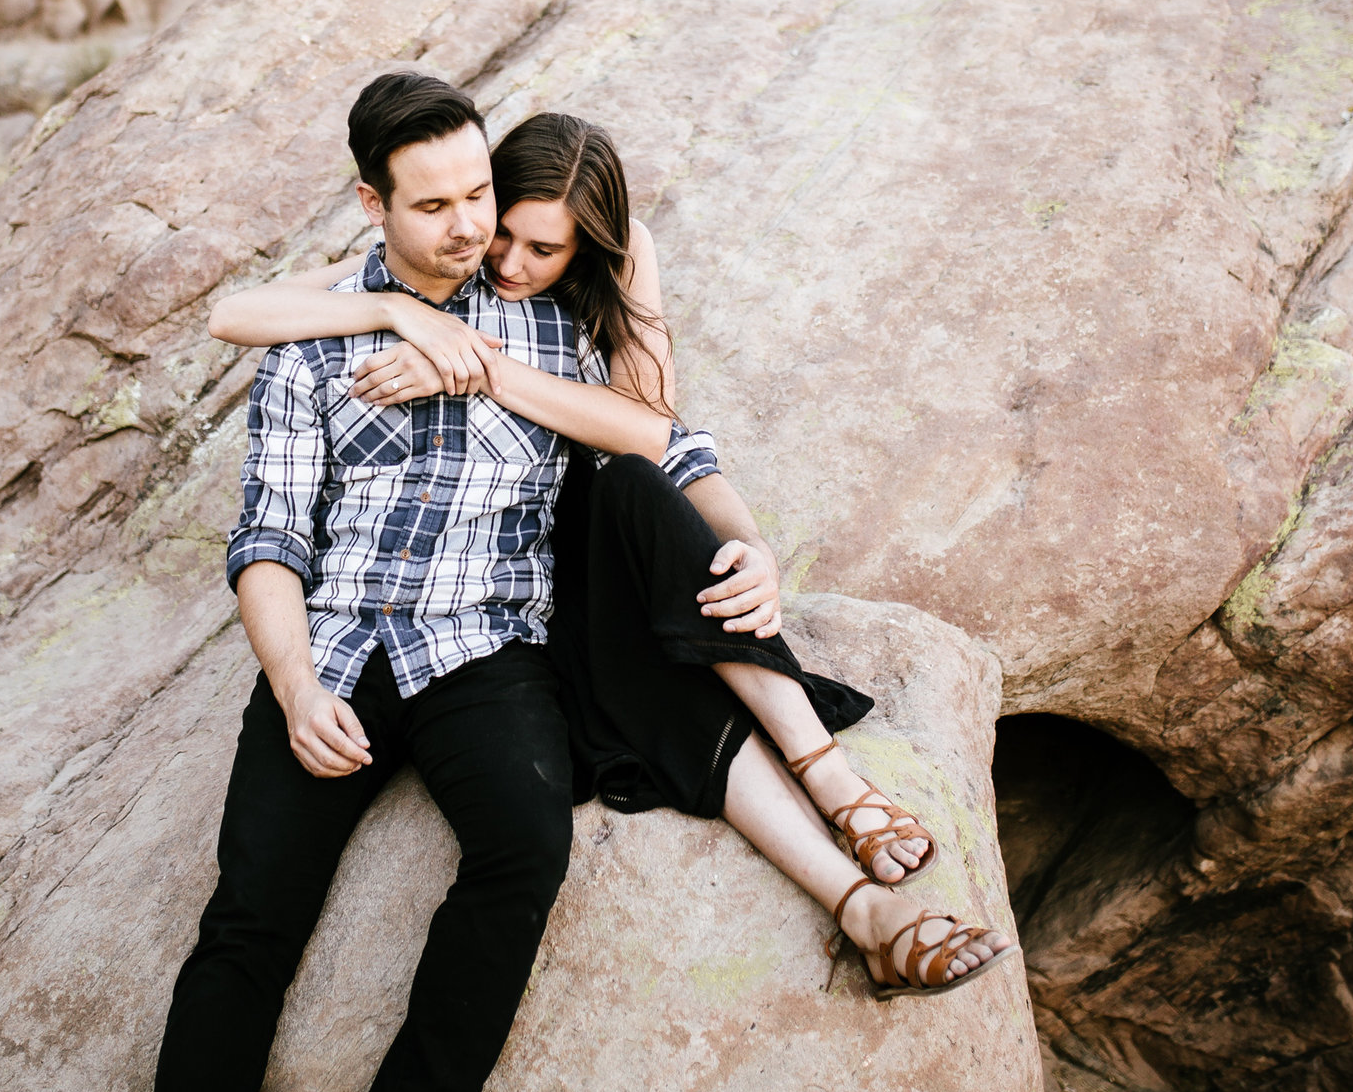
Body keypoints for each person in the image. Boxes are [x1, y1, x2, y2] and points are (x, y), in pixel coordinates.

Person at [206, 100, 1015, 1024]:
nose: (501, 259)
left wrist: (750, 545)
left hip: (559, 595)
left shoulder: (590, 295)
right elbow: (241, 315)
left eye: (539, 249)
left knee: (635, 499)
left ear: (584, 247)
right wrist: (403, 312)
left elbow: (668, 443)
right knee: (663, 668)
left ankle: (837, 810)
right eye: (490, 224)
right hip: (469, 619)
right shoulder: (442, 265)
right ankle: (858, 889)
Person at [151, 73, 712, 1092]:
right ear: (373, 205)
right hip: (339, 641)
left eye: (478, 192)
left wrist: (491, 362)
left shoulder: (553, 310)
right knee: (251, 913)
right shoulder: (315, 332)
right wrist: (294, 681)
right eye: (435, 205)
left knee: (524, 844)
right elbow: (268, 535)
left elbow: (649, 428)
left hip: (486, 644)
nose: (472, 229)